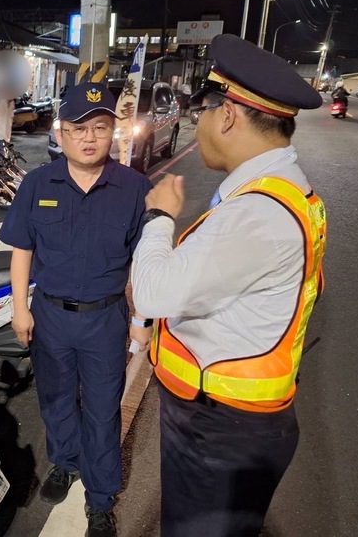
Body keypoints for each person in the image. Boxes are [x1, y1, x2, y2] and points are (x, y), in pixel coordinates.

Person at [130, 34, 326, 537]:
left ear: (230, 115)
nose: (199, 123)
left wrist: (158, 217)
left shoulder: (257, 212)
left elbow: (153, 292)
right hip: (231, 421)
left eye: (203, 111)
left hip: (220, 431)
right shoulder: (277, 190)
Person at [0, 82, 152, 537]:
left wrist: (141, 322)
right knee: (56, 400)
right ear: (60, 134)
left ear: (113, 133)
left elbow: (145, 263)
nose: (89, 138)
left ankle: (101, 499)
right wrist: (19, 309)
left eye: (100, 128)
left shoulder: (135, 188)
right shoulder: (36, 184)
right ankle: (65, 462)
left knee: (104, 410)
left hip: (106, 319)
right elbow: (22, 249)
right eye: (78, 128)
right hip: (49, 316)